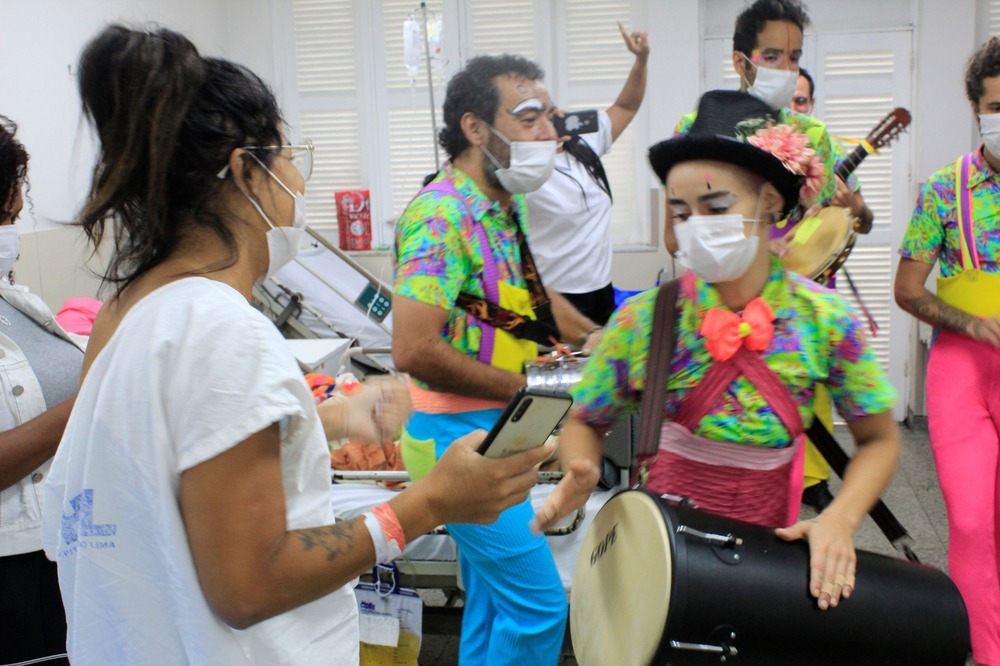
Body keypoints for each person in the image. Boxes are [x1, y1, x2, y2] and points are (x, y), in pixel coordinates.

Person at [40, 25, 553, 665]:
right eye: (286, 156)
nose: (297, 180)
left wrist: (329, 418)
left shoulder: (127, 310)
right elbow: (249, 587)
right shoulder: (223, 328)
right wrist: (426, 505)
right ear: (246, 173)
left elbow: (170, 461)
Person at [537, 89, 900, 613]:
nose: (696, 226)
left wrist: (838, 521)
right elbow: (586, 420)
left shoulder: (825, 320)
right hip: (663, 565)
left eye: (717, 206)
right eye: (682, 211)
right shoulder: (646, 320)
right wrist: (581, 466)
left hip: (772, 568)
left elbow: (880, 440)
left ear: (770, 200)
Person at [392, 54, 603, 666]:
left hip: (499, 430)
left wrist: (599, 338)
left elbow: (534, 305)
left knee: (491, 598)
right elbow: (414, 348)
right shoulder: (441, 216)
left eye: (552, 119)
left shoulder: (508, 207)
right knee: (539, 606)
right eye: (530, 117)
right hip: (454, 439)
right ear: (475, 128)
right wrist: (525, 386)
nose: (550, 134)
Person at [894, 37, 1000, 666]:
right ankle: (983, 653)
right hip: (962, 370)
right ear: (976, 109)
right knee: (969, 523)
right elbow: (907, 289)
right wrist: (970, 322)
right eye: (997, 105)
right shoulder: (943, 190)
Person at [0, 115, 81, 666]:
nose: (18, 222)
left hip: (59, 559)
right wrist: (90, 403)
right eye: (7, 213)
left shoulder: (17, 301)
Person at [788, 66, 875, 511]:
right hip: (763, 290)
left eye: (802, 101)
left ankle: (815, 480)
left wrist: (855, 205)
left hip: (817, 292)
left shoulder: (831, 151)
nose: (794, 107)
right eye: (790, 98)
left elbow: (865, 221)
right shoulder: (755, 151)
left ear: (812, 107)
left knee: (816, 388)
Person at [525, 21, 649, 326]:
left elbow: (626, 105)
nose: (553, 117)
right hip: (554, 297)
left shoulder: (585, 145)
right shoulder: (525, 169)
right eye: (536, 116)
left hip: (600, 288)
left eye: (551, 110)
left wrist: (641, 60)